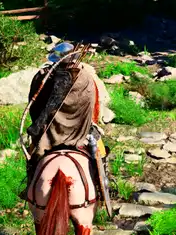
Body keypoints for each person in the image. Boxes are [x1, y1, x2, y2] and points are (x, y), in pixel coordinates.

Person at [21, 43, 110, 200]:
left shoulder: (44, 77)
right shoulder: (87, 78)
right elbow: (92, 107)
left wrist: (37, 126)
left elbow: (36, 108)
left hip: (49, 134)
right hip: (80, 131)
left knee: (32, 155)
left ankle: (29, 187)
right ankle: (103, 186)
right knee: (99, 152)